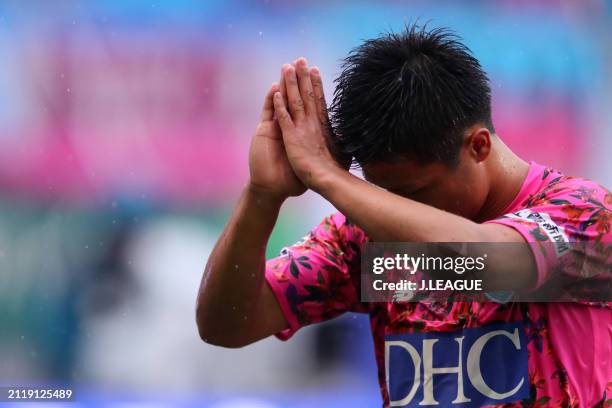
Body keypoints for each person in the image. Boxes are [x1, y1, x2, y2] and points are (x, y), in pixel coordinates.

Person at [196, 25, 611, 407]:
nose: (392, 210)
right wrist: (261, 196)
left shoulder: (584, 216)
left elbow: (497, 267)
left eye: (413, 193)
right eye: (382, 191)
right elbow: (227, 325)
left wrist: (326, 177)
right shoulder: (365, 239)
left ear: (479, 146)